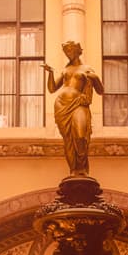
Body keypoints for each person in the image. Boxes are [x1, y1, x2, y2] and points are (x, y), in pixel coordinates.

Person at [43, 42, 103, 177]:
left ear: (77, 51)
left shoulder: (87, 69)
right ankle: (73, 170)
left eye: (70, 51)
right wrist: (51, 73)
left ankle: (81, 167)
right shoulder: (65, 70)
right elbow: (52, 89)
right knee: (68, 140)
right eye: (66, 52)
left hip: (79, 104)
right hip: (62, 106)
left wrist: (95, 78)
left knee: (80, 136)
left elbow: (100, 90)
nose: (67, 54)